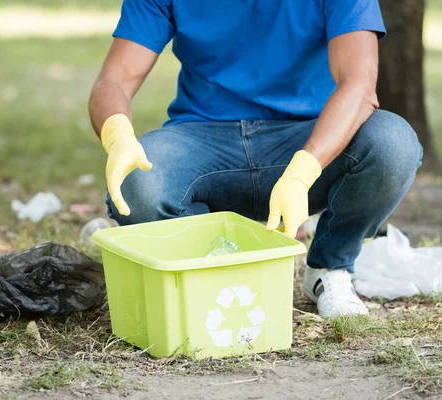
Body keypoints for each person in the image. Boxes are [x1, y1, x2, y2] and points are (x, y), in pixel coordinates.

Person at [88, 0, 423, 318]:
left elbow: (359, 84)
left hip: (306, 138)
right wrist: (116, 134)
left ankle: (328, 267)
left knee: (392, 143)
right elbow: (114, 79)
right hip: (202, 139)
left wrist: (304, 169)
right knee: (138, 182)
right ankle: (212, 262)